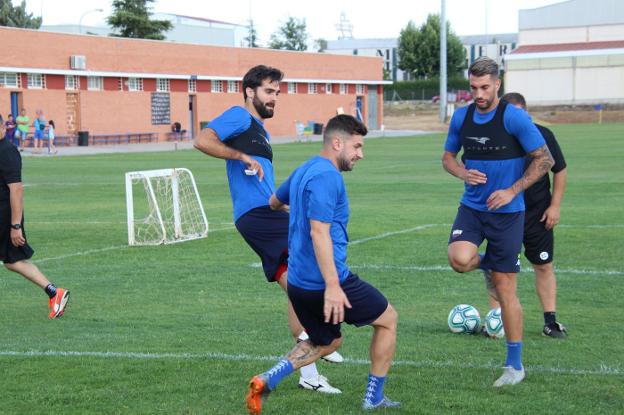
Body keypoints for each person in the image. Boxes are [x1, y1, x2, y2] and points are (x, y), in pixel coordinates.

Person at [193, 65, 343, 394]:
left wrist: (283, 204)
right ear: (250, 92)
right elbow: (202, 139)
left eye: (277, 92)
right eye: (268, 91)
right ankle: (319, 336)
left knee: (296, 278)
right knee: (307, 274)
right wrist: (239, 154)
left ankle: (309, 371)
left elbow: (262, 183)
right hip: (255, 215)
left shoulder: (260, 130)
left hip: (265, 211)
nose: (275, 98)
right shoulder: (239, 116)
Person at [246, 115, 400, 414]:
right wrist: (332, 285)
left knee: (327, 341)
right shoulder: (328, 176)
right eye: (356, 146)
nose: (360, 154)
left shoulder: (305, 169)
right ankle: (374, 398)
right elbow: (319, 231)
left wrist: (296, 209)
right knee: (388, 319)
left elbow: (274, 202)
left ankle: (267, 379)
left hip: (299, 283)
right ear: (337, 143)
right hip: (327, 281)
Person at [441, 57, 554, 387]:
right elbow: (448, 157)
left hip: (507, 214)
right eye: (473, 87)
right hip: (472, 208)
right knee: (459, 259)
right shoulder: (461, 117)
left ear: (497, 85)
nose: (478, 94)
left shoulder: (514, 117)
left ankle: (514, 365)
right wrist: (461, 171)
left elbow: (544, 159)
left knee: (506, 291)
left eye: (485, 87)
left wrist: (511, 190)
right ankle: (492, 264)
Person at [480, 92, 567, 339]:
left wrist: (555, 206)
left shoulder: (543, 135)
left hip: (538, 214)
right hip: (505, 215)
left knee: (543, 264)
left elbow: (560, 171)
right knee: (500, 267)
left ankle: (550, 322)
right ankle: (496, 321)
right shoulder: (496, 138)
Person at [0, 118, 70, 318]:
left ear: (4, 127)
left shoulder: (7, 152)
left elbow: (16, 189)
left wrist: (15, 225)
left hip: (5, 215)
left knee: (12, 261)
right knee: (12, 261)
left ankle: (55, 293)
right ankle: (54, 292)